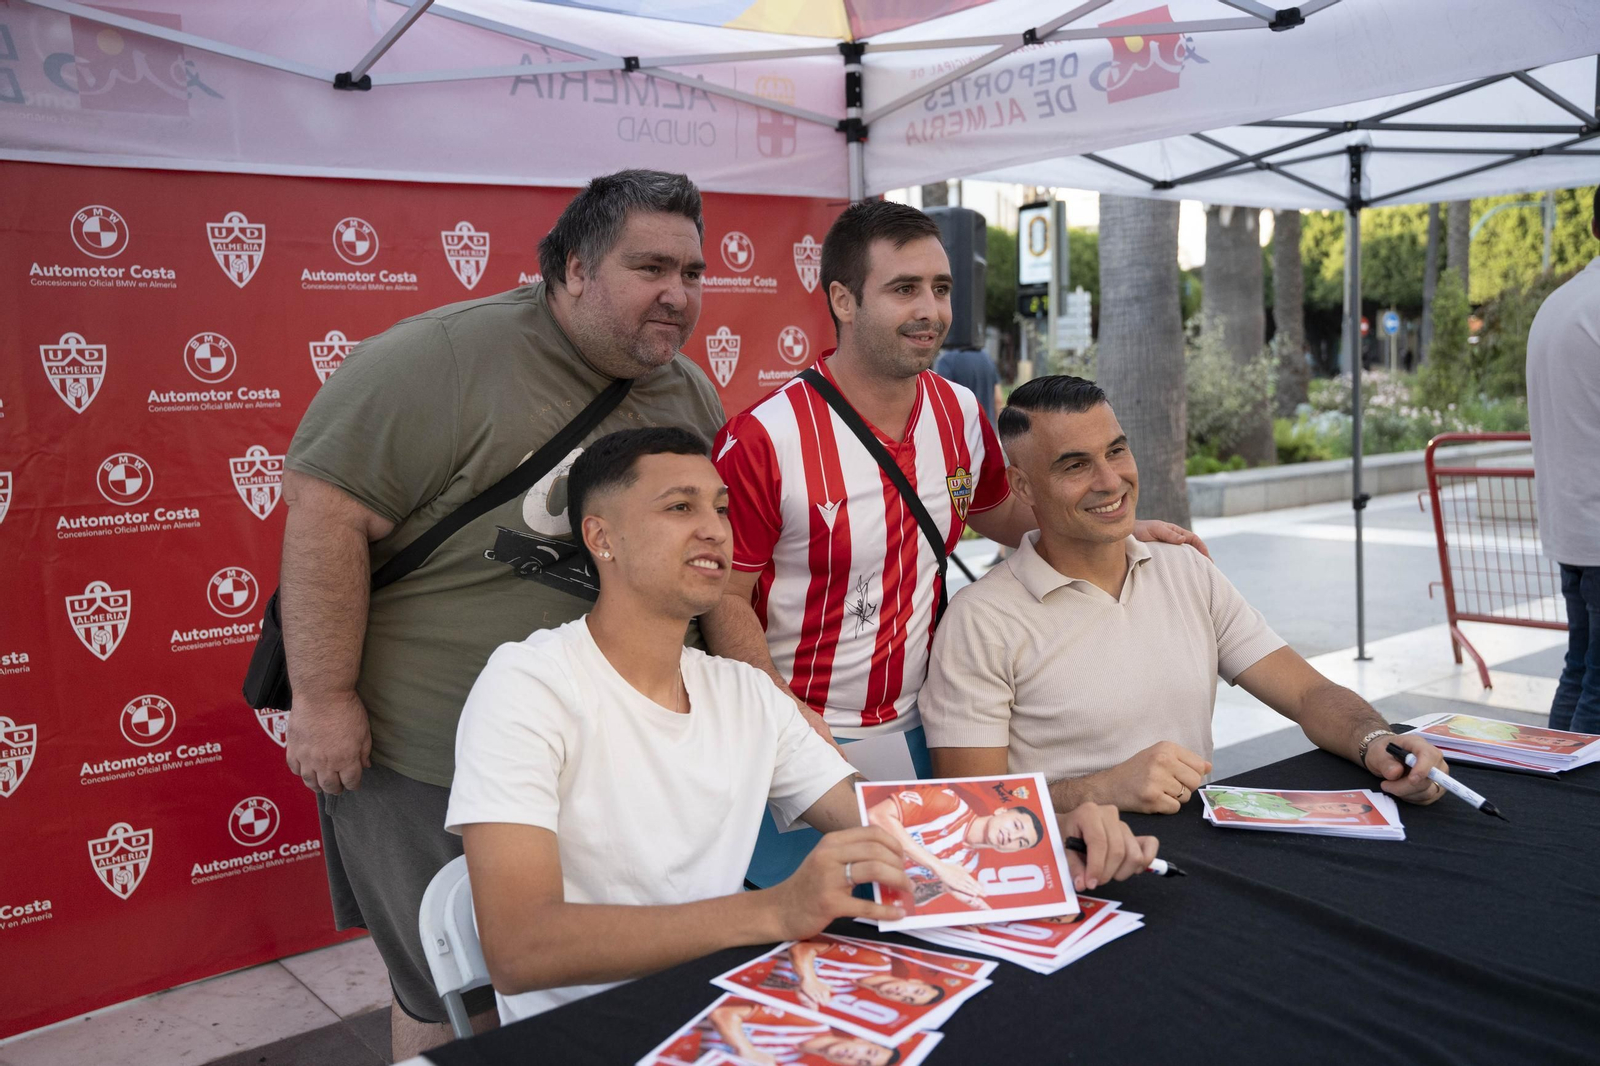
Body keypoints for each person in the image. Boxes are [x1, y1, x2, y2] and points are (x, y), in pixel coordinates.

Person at [445, 428, 1156, 1022]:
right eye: (679, 506)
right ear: (601, 537)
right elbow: (519, 948)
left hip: (726, 1010)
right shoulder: (529, 685)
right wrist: (774, 913)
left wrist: (1048, 832)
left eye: (721, 507)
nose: (713, 529)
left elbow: (886, 822)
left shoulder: (742, 692)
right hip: (588, 1035)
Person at [279, 170, 726, 1055]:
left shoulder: (687, 395)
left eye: (692, 272)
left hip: (604, 758)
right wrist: (323, 698)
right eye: (650, 268)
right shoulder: (440, 359)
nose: (678, 295)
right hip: (427, 753)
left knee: (580, 982)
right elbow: (324, 514)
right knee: (453, 994)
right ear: (573, 269)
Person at [706, 201, 1202, 884]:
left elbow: (1002, 513)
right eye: (904, 289)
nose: (931, 310)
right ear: (844, 300)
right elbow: (722, 596)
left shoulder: (959, 411)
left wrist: (1110, 524)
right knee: (815, 924)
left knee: (928, 910)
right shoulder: (764, 437)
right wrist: (781, 716)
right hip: (802, 740)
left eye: (940, 289)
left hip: (926, 731)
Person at [920, 375, 1452, 814]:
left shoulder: (1186, 571)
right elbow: (971, 808)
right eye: (1076, 465)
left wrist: (1376, 741)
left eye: (1116, 451)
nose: (1110, 480)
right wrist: (1101, 790)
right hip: (1074, 878)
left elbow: (1308, 693)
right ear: (1022, 487)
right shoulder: (980, 620)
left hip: (1202, 859)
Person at [1526, 189, 1600, 735]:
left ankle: (1554, 775)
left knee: (1581, 669)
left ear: (1594, 227)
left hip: (1572, 526)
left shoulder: (1561, 301)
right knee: (1594, 680)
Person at [865, 783, 1044, 907]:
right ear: (1000, 811)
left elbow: (912, 895)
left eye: (1021, 842)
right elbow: (876, 816)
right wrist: (939, 868)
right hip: (856, 848)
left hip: (868, 885)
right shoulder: (949, 803)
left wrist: (944, 887)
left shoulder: (968, 864)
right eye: (1016, 825)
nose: (1013, 837)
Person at [694, 1000, 901, 1066]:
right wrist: (745, 1050)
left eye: (862, 1064)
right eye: (868, 1053)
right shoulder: (811, 1020)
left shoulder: (788, 1060)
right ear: (862, 1040)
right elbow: (723, 1014)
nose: (856, 1057)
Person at [771, 939, 942, 1010]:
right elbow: (801, 948)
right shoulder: (877, 960)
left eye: (907, 999)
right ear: (915, 981)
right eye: (916, 991)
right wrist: (808, 980)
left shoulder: (846, 991)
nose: (903, 994)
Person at [932, 343, 1001, 426]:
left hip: (962, 430)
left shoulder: (947, 360)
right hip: (987, 429)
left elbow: (940, 401)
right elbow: (998, 400)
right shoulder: (987, 358)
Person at [1206, 791, 1374, 822]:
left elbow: (1236, 805)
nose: (1336, 807)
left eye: (1343, 810)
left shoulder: (1289, 815)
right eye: (1342, 805)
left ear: (1338, 815)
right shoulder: (1297, 796)